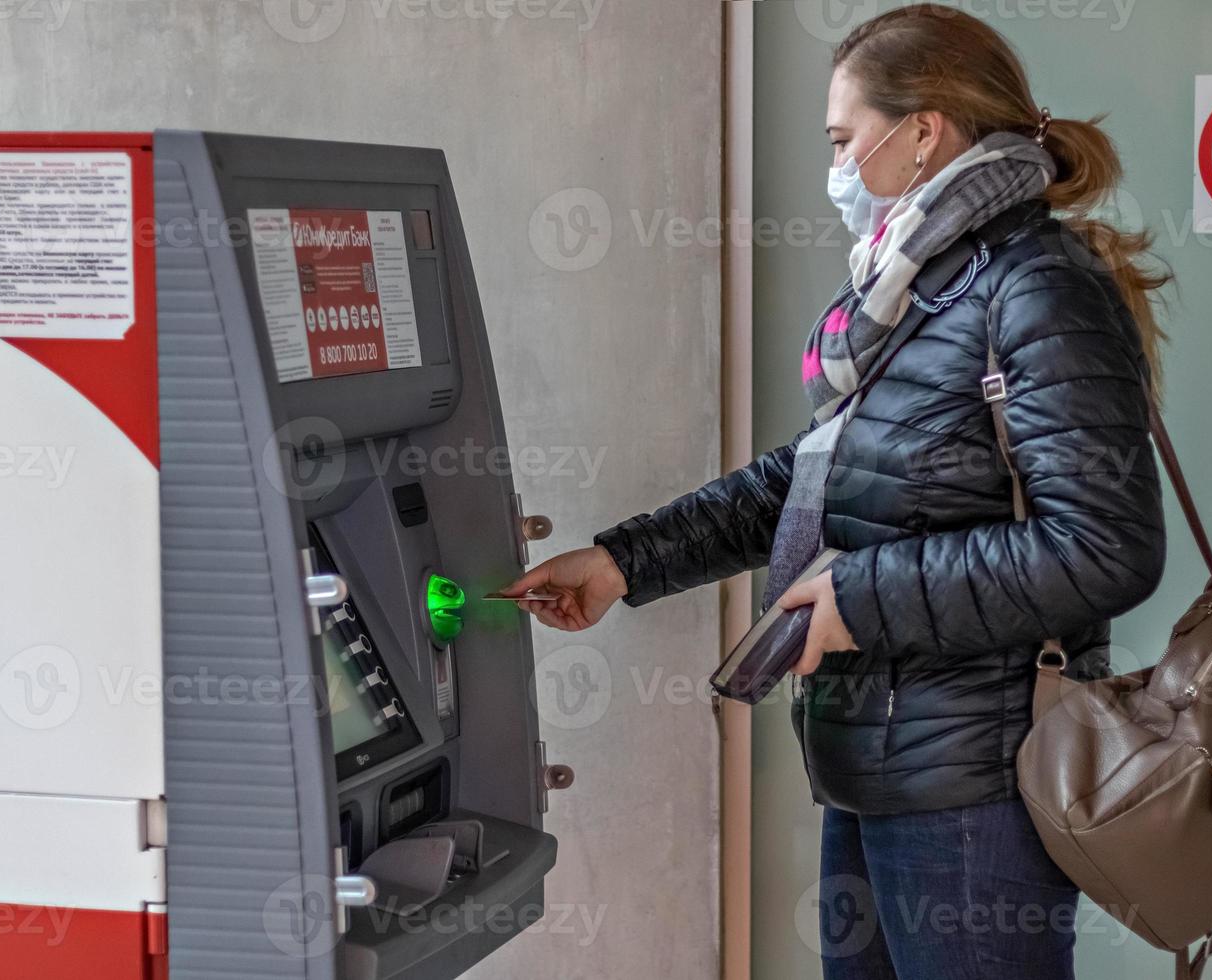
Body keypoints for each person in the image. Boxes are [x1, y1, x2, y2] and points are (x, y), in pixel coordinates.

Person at [500, 5, 1170, 977]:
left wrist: (861, 596)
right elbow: (809, 478)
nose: (838, 165)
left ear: (923, 129)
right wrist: (620, 560)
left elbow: (1106, 547)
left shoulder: (1037, 287)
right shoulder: (913, 291)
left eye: (844, 138)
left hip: (975, 785)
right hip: (874, 766)